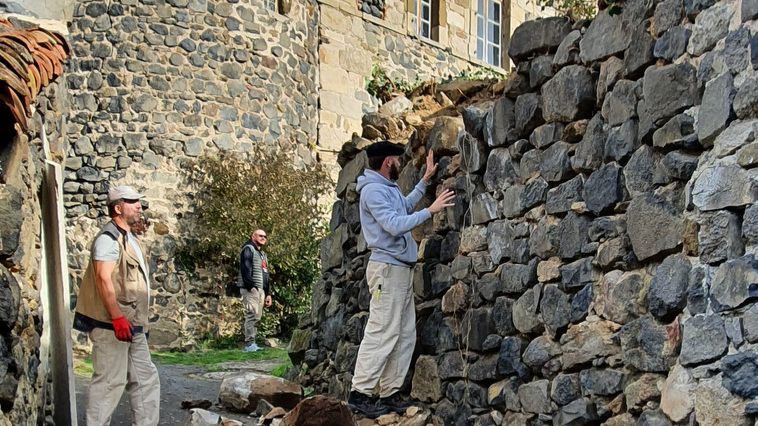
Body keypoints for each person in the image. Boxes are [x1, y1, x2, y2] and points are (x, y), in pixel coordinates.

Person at [348, 141, 455, 418]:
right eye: (396, 159)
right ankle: (360, 394)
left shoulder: (385, 187)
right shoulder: (372, 191)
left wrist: (424, 181)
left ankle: (389, 394)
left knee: (404, 333)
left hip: (399, 269)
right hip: (387, 271)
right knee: (382, 330)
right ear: (387, 163)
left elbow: (403, 207)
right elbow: (394, 225)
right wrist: (430, 210)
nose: (399, 163)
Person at [73, 185, 160, 426]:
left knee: (146, 381)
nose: (139, 206)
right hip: (112, 325)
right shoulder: (108, 238)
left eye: (138, 201)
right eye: (133, 202)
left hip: (132, 326)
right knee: (110, 383)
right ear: (118, 208)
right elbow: (103, 278)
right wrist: (117, 318)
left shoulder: (129, 238)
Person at [238, 229, 272, 352]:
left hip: (260, 289)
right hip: (251, 289)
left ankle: (252, 343)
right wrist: (251, 287)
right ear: (253, 237)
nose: (263, 238)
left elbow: (265, 275)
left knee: (257, 316)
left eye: (265, 236)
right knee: (252, 315)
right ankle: (249, 344)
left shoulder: (262, 255)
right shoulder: (248, 249)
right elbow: (245, 269)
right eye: (260, 236)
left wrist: (267, 293)